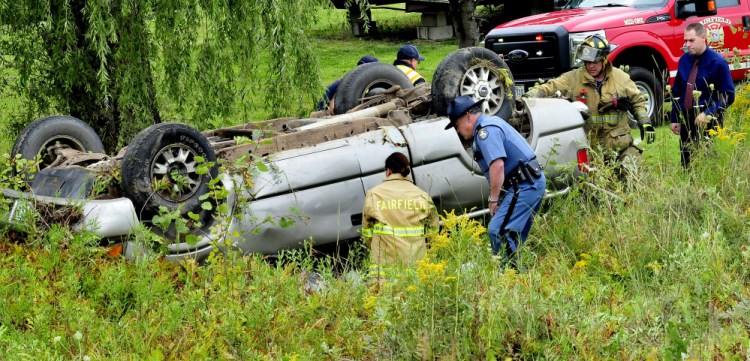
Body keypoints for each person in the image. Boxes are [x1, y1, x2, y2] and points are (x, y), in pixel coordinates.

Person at [524, 34, 655, 169]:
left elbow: (637, 100)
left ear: (604, 59)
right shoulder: (573, 78)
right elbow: (550, 87)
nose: (590, 66)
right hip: (590, 151)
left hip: (620, 148)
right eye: (587, 62)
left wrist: (645, 122)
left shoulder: (621, 78)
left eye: (595, 62)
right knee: (592, 187)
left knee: (635, 174)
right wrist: (529, 96)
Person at [444, 96, 545, 269]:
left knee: (499, 230)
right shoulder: (490, 123)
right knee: (512, 233)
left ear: (468, 117)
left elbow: (497, 165)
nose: (458, 131)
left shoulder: (485, 132)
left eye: (456, 125)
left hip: (525, 185)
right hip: (527, 182)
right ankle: (518, 277)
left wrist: (493, 199)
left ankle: (509, 277)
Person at [362, 152, 439, 279]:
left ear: (388, 171)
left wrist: (375, 247)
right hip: (416, 265)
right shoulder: (422, 195)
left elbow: (367, 231)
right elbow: (433, 231)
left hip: (385, 267)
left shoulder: (374, 195)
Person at [669, 22, 735, 169]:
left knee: (708, 161)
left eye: (691, 40)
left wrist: (708, 113)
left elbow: (728, 95)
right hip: (687, 118)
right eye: (685, 40)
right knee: (687, 162)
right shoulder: (684, 60)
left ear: (703, 38)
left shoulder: (718, 63)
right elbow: (677, 91)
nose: (687, 44)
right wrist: (674, 118)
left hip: (709, 119)